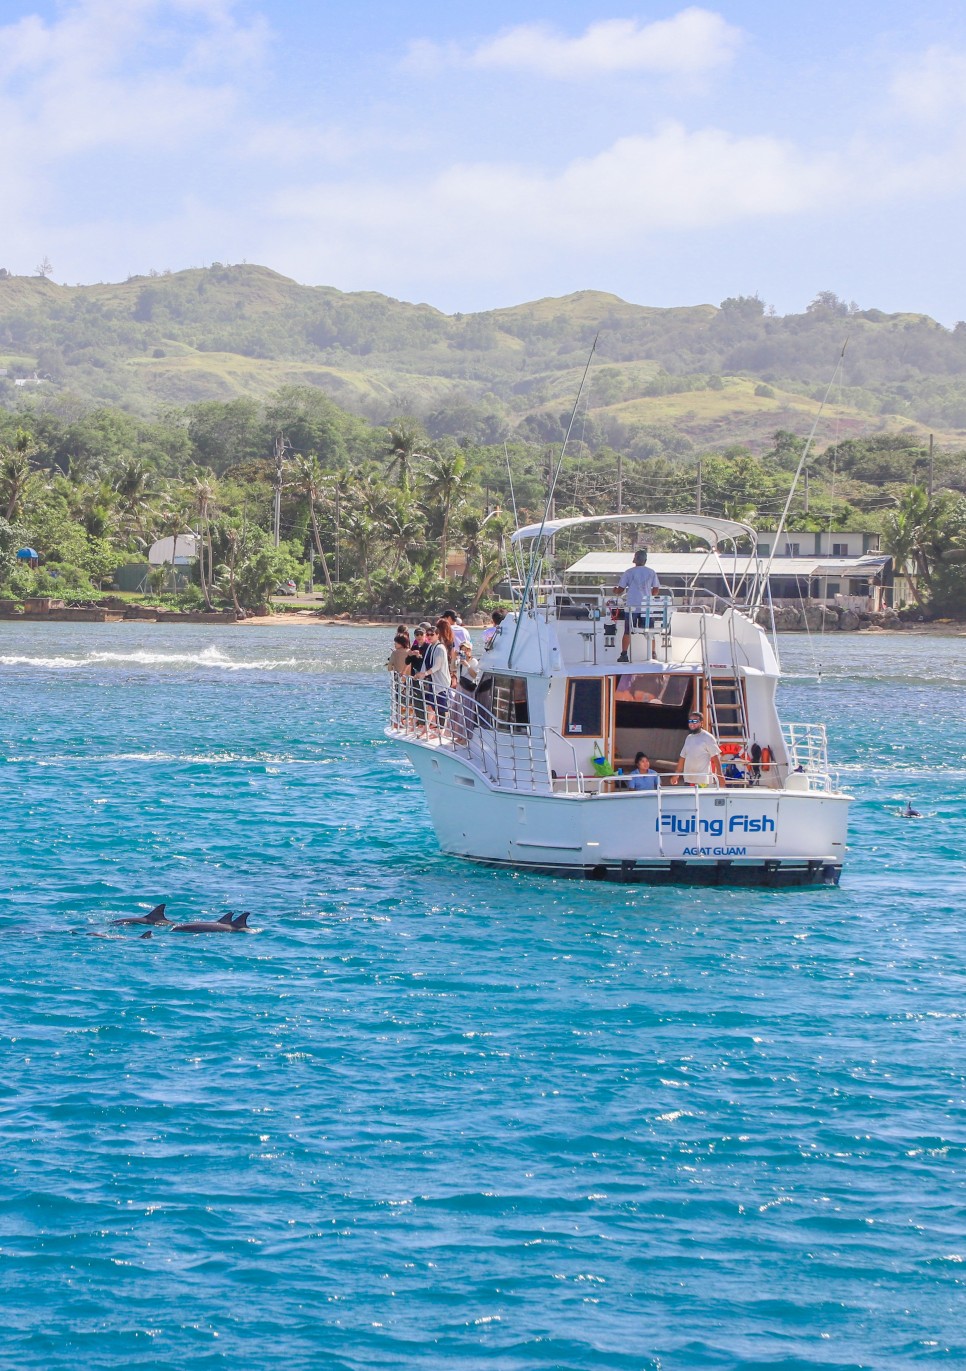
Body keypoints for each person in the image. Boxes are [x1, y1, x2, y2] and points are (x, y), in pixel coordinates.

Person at [613, 549, 661, 663]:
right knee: (650, 631)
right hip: (646, 608)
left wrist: (614, 590)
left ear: (635, 559)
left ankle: (624, 655)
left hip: (632, 607)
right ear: (645, 560)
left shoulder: (629, 572)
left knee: (627, 631)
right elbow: (655, 591)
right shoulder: (651, 572)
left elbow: (620, 589)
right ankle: (652, 653)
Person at [416, 623, 453, 733]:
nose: (429, 636)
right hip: (432, 681)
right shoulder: (430, 647)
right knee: (431, 705)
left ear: (437, 635)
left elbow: (438, 665)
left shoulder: (440, 648)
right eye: (428, 634)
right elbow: (425, 663)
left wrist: (425, 674)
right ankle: (427, 727)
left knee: (442, 706)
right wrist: (420, 675)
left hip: (440, 681)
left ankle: (441, 730)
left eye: (432, 634)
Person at [670, 712, 723, 787]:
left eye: (695, 721)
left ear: (701, 723)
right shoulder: (689, 738)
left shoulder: (708, 737)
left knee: (701, 799)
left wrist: (720, 776)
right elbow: (682, 757)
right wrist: (676, 775)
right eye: (690, 721)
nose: (692, 724)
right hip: (688, 779)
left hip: (702, 780)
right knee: (689, 798)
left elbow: (716, 757)